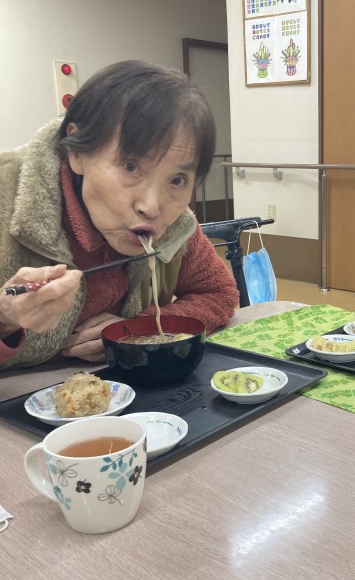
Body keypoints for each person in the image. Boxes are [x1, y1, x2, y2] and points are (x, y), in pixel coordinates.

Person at [0, 60, 239, 370]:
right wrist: (4, 318)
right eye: (131, 166)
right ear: (77, 152)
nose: (151, 207)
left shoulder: (176, 227)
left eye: (177, 180)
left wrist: (137, 330)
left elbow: (219, 292)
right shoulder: (8, 195)